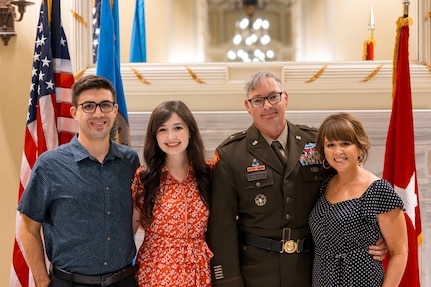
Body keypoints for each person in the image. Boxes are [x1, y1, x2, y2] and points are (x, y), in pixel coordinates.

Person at [206, 71, 388, 287]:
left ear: (285, 98)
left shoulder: (317, 142)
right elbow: (222, 227)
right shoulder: (231, 154)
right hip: (256, 272)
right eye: (258, 100)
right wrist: (229, 281)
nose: (267, 106)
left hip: (313, 268)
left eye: (274, 96)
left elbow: (349, 187)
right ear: (248, 106)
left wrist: (377, 234)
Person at [18, 75, 140, 287]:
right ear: (74, 112)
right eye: (89, 106)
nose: (98, 113)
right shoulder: (49, 165)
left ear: (114, 110)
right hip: (69, 282)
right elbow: (28, 227)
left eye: (105, 105)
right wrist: (41, 280)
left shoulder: (130, 161)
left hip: (125, 280)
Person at [309, 112, 408, 287]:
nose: (338, 151)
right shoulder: (325, 184)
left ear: (360, 147)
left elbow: (400, 252)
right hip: (321, 280)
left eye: (345, 144)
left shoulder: (379, 190)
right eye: (330, 144)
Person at [131, 100, 213, 287]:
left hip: (198, 270)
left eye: (177, 128)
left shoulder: (208, 174)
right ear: (155, 136)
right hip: (156, 270)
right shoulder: (145, 178)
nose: (171, 136)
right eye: (162, 130)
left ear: (190, 131)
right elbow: (130, 231)